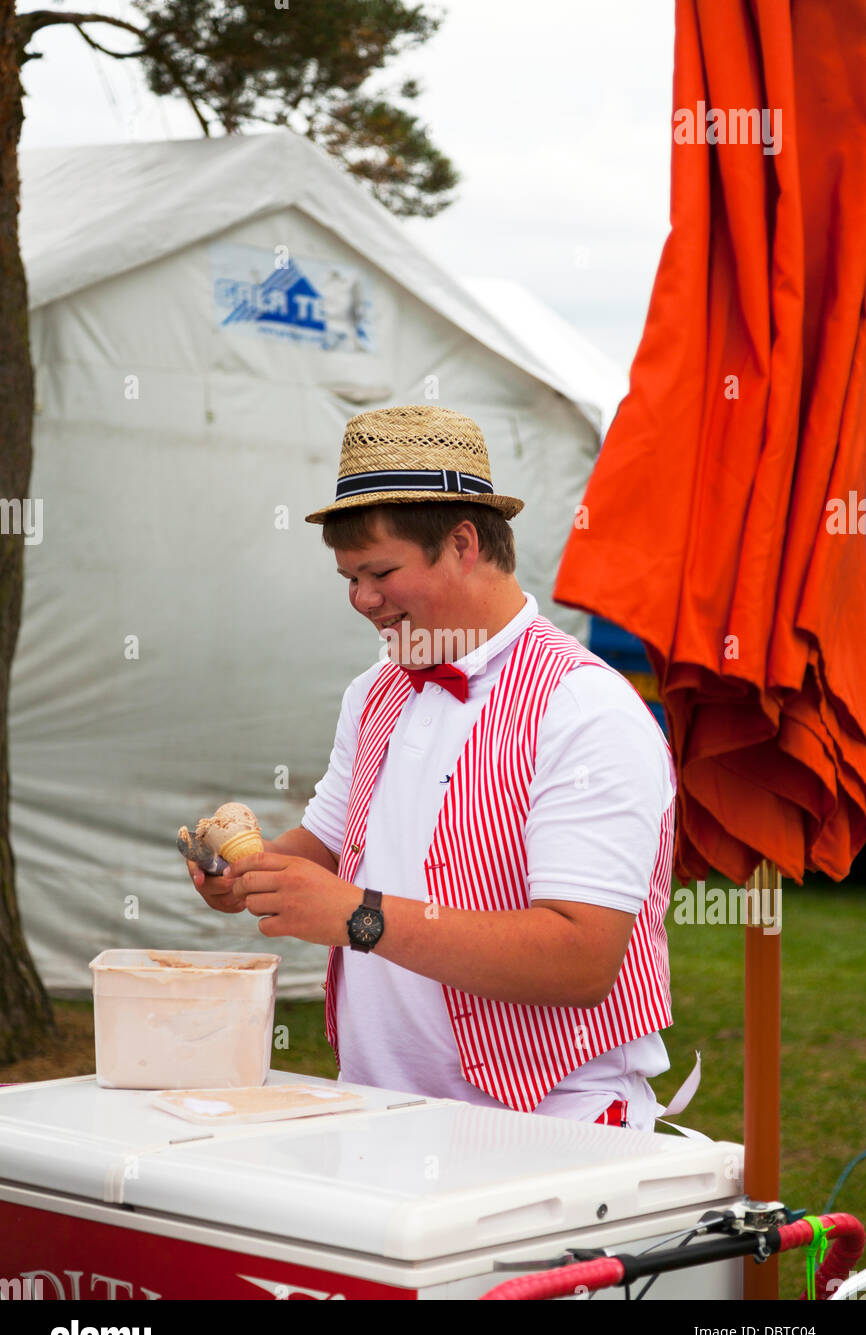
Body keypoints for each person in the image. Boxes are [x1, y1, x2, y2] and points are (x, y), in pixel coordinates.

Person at [188, 405, 680, 1129]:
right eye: (349, 578)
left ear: (462, 543)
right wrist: (242, 875)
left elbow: (581, 959)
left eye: (381, 572)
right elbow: (325, 845)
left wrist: (358, 918)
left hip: (548, 1128)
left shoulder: (584, 707)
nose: (362, 601)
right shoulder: (377, 689)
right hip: (376, 1109)